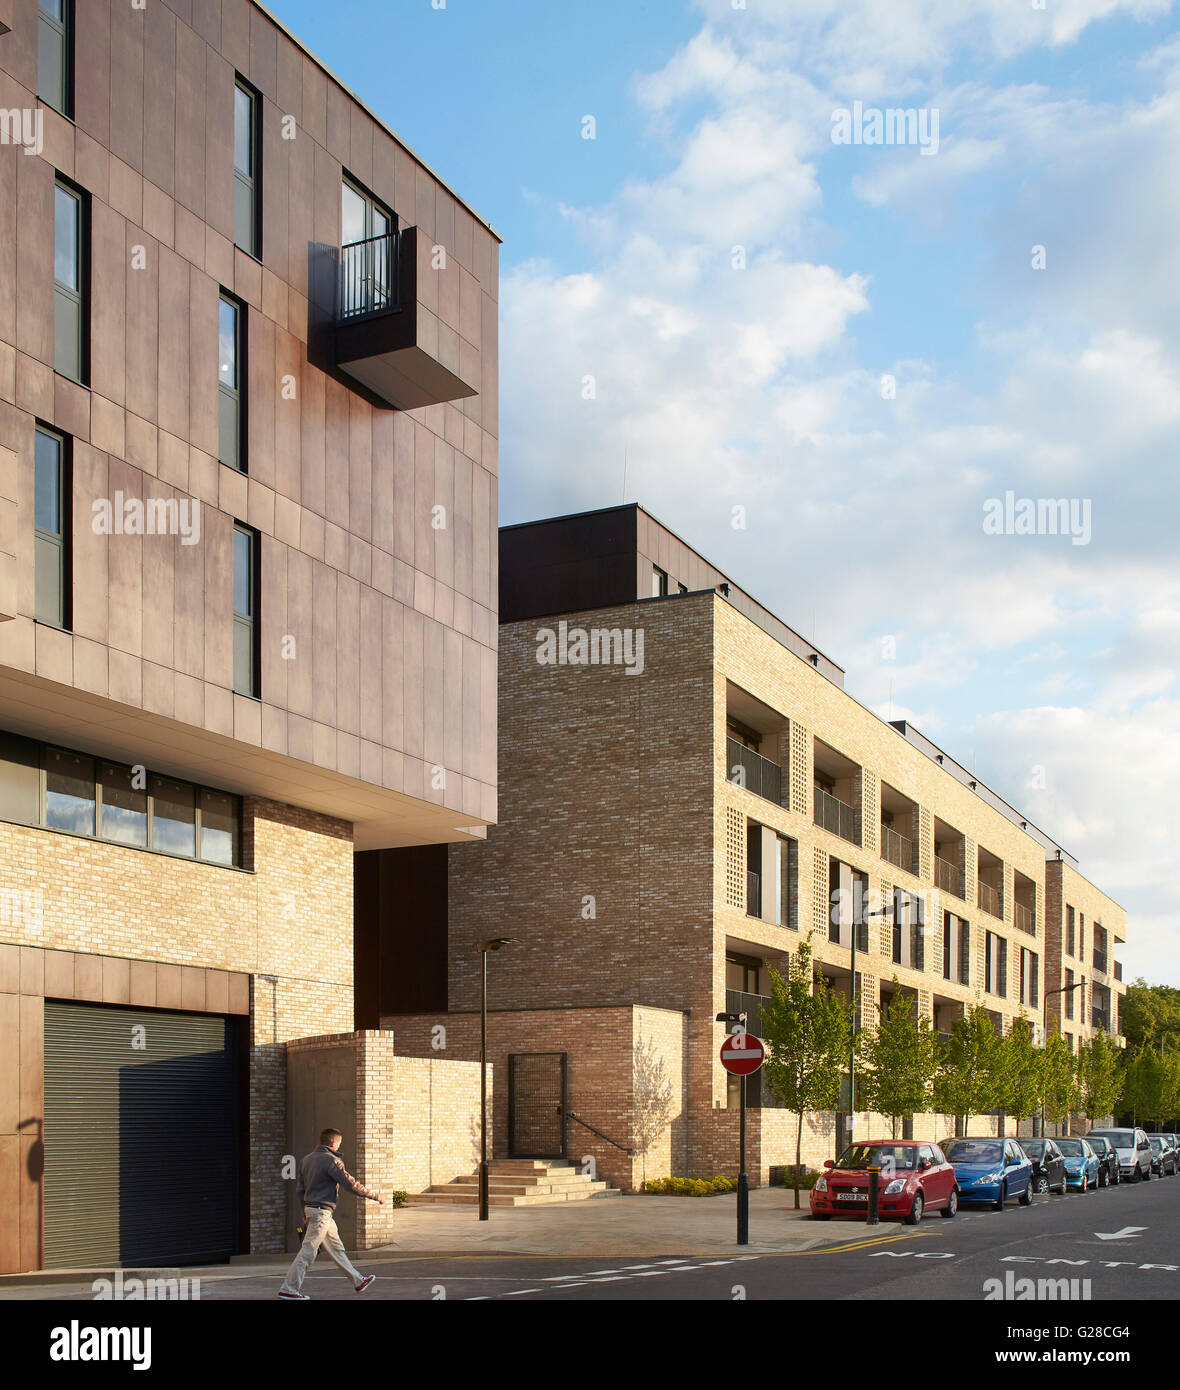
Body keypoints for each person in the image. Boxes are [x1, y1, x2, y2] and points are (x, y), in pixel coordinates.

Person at [278, 1127, 385, 1300]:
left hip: (313, 1210)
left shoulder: (306, 1160)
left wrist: (304, 1213)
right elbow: (351, 1184)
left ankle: (358, 1281)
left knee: (336, 1248)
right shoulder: (331, 1161)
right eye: (339, 1143)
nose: (338, 1147)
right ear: (333, 1142)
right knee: (309, 1251)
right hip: (321, 1212)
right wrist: (374, 1195)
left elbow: (300, 1190)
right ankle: (288, 1289)